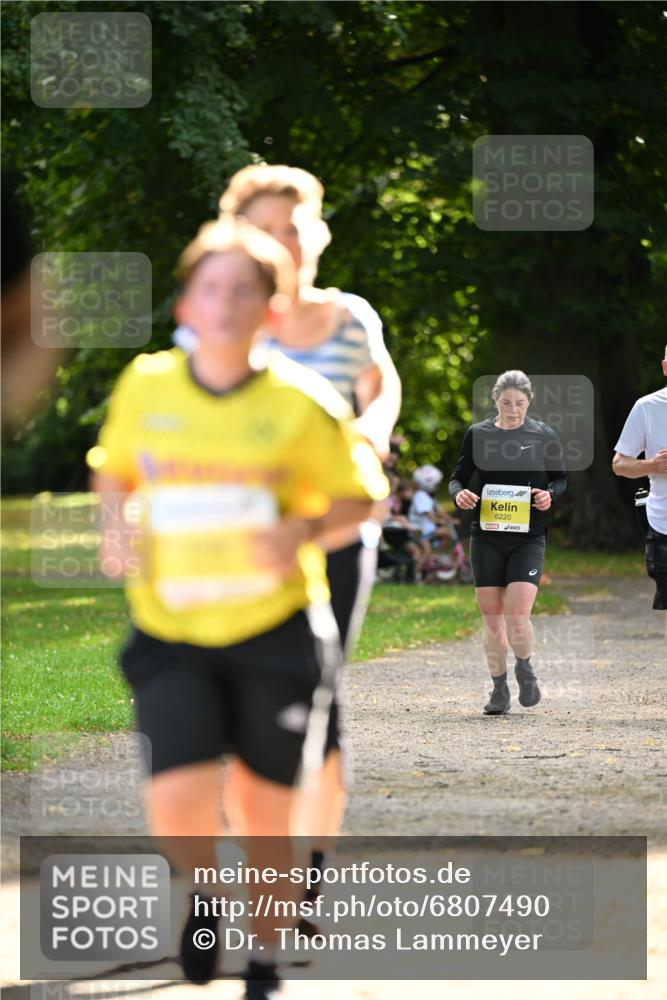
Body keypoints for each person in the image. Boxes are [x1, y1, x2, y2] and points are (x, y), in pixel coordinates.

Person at [87, 217, 388, 998]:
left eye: (244, 290)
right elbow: (113, 471)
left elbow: (362, 497)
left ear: (272, 309)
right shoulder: (146, 385)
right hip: (170, 631)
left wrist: (301, 526)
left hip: (277, 634)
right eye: (209, 288)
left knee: (263, 807)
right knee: (176, 806)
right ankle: (203, 895)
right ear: (186, 305)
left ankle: (263, 957)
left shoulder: (303, 401)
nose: (225, 303)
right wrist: (116, 528)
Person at [175, 165, 401, 880]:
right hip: (239, 541)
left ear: (320, 233)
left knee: (318, 699)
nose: (284, 242)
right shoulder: (222, 317)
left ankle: (303, 880)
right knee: (228, 702)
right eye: (265, 230)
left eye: (295, 228)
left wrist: (368, 430)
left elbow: (382, 382)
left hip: (333, 533)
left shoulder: (350, 317)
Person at [448, 370, 567, 714]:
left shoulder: (543, 434)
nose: (513, 410)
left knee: (517, 616)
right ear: (495, 402)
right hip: (486, 537)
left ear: (529, 401)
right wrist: (460, 495)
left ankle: (524, 666)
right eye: (505, 403)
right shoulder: (478, 434)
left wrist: (549, 496)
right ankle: (498, 689)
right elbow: (457, 478)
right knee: (492, 620)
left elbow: (559, 479)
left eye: (519, 403)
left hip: (528, 537)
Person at [612, 346, 667, 643]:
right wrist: (652, 465)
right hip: (664, 524)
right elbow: (619, 465)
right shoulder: (647, 407)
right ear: (665, 367)